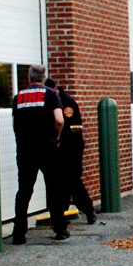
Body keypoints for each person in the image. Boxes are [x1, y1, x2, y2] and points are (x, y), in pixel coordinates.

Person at [11, 64, 68, 243]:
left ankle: (19, 233)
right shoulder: (52, 95)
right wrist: (57, 136)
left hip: (25, 148)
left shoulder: (18, 96)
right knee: (53, 187)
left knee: (24, 190)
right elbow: (59, 119)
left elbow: (15, 123)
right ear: (44, 78)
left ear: (29, 77)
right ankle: (59, 228)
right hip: (47, 146)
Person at [45, 78, 97, 225]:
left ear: (55, 89)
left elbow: (70, 126)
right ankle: (60, 216)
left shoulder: (67, 102)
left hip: (71, 145)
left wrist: (58, 138)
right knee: (60, 182)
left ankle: (88, 210)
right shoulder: (52, 100)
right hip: (58, 145)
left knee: (72, 180)